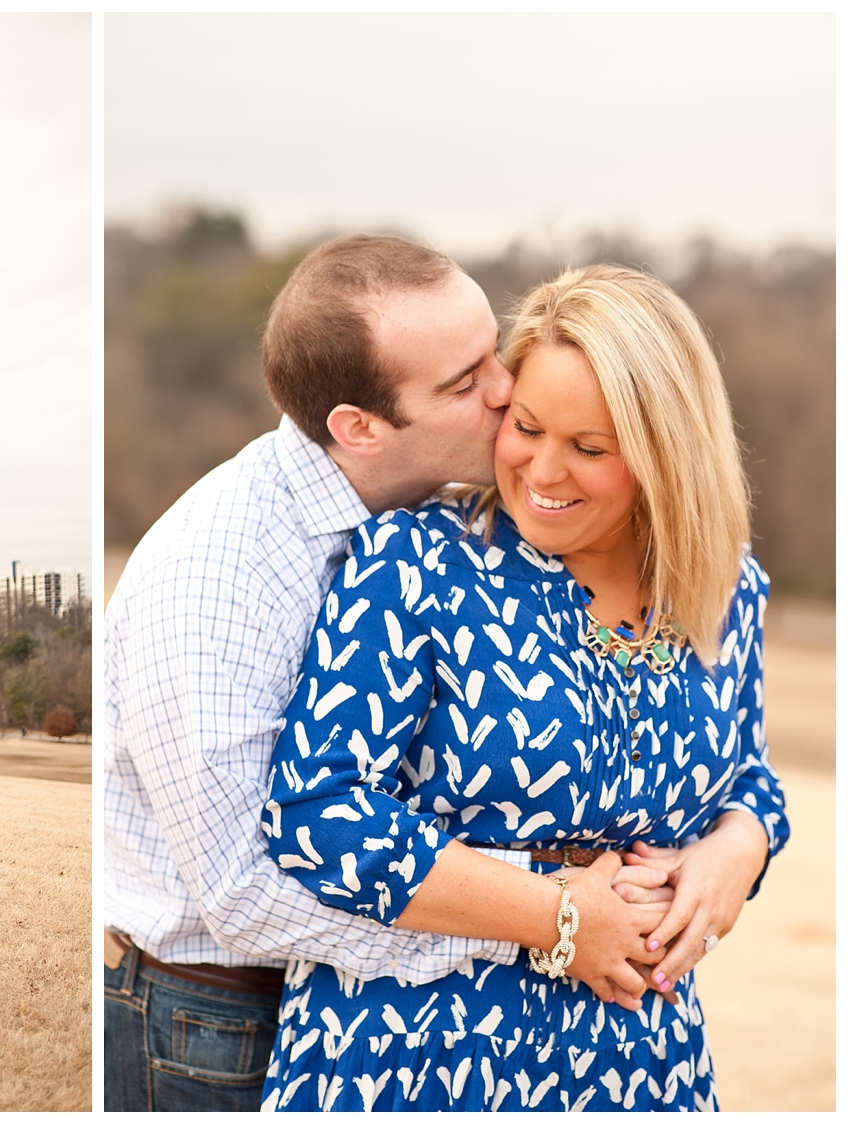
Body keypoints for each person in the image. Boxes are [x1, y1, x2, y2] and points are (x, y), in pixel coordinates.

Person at [259, 264, 788, 1111]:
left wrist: (737, 853)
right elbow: (318, 812)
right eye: (528, 427)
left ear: (665, 456)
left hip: (642, 1060)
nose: (543, 470)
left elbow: (748, 776)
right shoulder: (420, 564)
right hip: (417, 1052)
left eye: (590, 449)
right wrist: (559, 917)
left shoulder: (726, 590)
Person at [105, 235, 541, 1111]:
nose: (506, 389)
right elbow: (239, 891)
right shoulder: (221, 571)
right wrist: (531, 923)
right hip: (215, 1020)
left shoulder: (448, 518)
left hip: (353, 1010)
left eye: (495, 352)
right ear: (358, 428)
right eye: (465, 381)